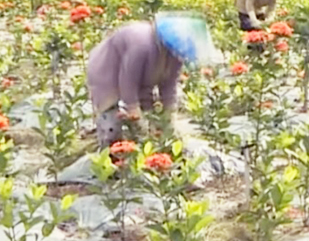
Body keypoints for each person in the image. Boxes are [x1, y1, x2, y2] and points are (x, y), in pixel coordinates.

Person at [86, 13, 215, 148]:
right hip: (107, 72)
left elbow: (169, 84)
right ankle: (109, 150)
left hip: (141, 81)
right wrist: (133, 108)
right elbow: (128, 79)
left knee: (147, 119)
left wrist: (169, 114)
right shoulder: (141, 44)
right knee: (112, 120)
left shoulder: (175, 54)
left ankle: (141, 144)